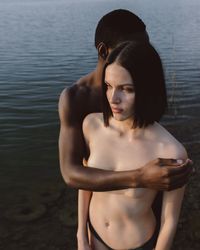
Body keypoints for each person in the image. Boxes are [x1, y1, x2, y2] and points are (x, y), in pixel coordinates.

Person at [58, 9, 192, 192]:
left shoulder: (143, 87)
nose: (141, 57)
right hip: (103, 196)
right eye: (131, 49)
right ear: (104, 51)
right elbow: (70, 172)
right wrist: (140, 177)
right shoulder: (76, 98)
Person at [77, 41, 187, 250]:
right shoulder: (91, 125)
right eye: (108, 87)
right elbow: (85, 183)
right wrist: (81, 235)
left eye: (126, 89)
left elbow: (169, 221)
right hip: (93, 237)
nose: (113, 99)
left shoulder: (171, 151)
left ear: (147, 89)